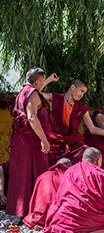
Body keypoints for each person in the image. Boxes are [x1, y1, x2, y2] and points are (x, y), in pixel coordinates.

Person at [42, 78, 104, 166]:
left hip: (73, 143)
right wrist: (49, 79)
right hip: (55, 142)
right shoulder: (55, 98)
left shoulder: (81, 107)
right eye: (81, 91)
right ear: (72, 87)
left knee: (87, 153)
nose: (82, 95)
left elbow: (92, 128)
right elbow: (35, 93)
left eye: (84, 93)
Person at [6, 68, 54, 217]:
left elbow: (36, 89)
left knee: (21, 173)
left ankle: (18, 210)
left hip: (20, 139)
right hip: (31, 139)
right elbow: (32, 117)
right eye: (41, 82)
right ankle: (34, 209)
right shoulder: (32, 93)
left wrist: (49, 80)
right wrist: (44, 140)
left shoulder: (22, 93)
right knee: (37, 172)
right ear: (37, 82)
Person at [44, 147, 104, 233]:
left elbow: (60, 196)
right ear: (98, 161)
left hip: (65, 216)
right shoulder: (102, 174)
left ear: (83, 159)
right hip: (90, 217)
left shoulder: (69, 171)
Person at [23, 158, 72, 230]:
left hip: (41, 217)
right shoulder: (70, 176)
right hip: (61, 216)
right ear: (69, 166)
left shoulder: (42, 176)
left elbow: (34, 198)